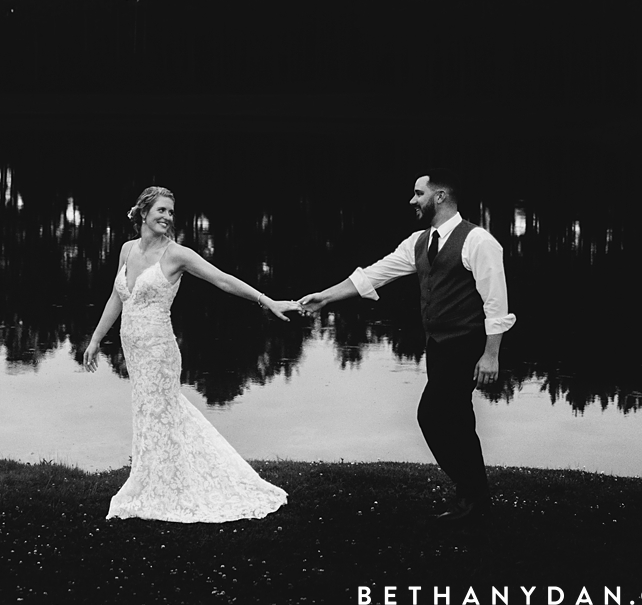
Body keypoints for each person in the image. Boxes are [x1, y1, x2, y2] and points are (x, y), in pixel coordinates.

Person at [298, 170, 516, 522]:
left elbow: (496, 303)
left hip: (465, 345)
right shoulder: (418, 242)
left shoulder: (479, 241)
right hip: (437, 346)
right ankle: (475, 500)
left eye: (419, 194)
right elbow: (374, 274)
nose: (412, 200)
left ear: (440, 196)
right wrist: (326, 297)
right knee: (458, 422)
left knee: (431, 417)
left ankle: (473, 494)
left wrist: (491, 355)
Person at [83, 186, 294, 523]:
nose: (167, 217)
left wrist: (266, 300)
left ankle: (167, 487)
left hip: (159, 351)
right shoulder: (126, 250)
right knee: (148, 416)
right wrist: (95, 340)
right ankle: (152, 478)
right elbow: (116, 298)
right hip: (133, 351)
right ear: (143, 212)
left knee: (162, 414)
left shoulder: (176, 254)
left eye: (170, 212)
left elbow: (222, 280)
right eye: (161, 210)